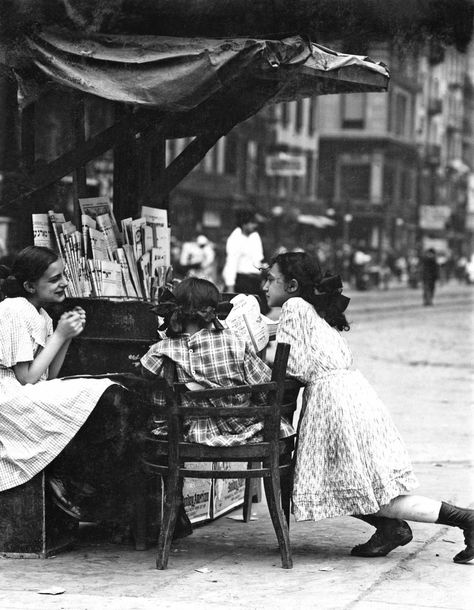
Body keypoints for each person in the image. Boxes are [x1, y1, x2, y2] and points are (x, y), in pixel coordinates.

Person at [262, 251, 473, 564]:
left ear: (291, 285)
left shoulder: (294, 307)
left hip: (334, 405)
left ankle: (463, 518)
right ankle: (393, 529)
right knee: (352, 483)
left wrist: (263, 357)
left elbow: (297, 366)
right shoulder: (312, 308)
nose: (265, 286)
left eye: (271, 279)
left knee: (361, 488)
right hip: (352, 396)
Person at [0, 246, 150, 530]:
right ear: (30, 285)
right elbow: (25, 377)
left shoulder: (40, 314)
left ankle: (92, 494)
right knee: (107, 396)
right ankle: (70, 483)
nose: (64, 283)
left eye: (63, 276)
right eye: (54, 279)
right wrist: (60, 334)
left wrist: (66, 336)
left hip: (26, 392)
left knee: (114, 396)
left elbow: (49, 375)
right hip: (8, 397)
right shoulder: (13, 308)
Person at [140, 277, 294, 535]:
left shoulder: (165, 348)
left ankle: (167, 526)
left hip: (193, 436)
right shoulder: (236, 341)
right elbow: (264, 385)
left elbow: (144, 374)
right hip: (247, 433)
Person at [222, 208, 268, 312]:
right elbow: (231, 263)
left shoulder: (255, 236)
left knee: (261, 310)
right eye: (251, 223)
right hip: (241, 281)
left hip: (255, 281)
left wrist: (262, 277)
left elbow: (258, 260)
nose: (254, 226)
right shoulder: (235, 238)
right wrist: (230, 287)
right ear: (244, 224)